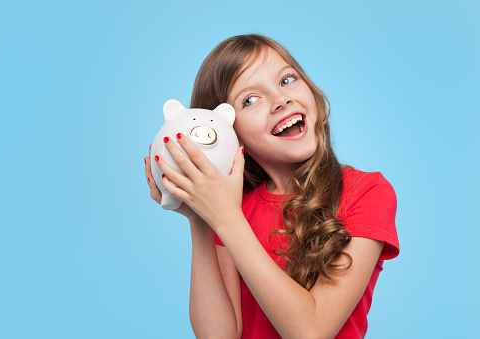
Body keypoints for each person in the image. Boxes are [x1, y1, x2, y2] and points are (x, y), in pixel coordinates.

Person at [144, 34, 399, 339]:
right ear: (228, 131)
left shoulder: (366, 192)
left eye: (287, 79)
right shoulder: (234, 211)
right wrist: (199, 217)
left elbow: (311, 331)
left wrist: (225, 218)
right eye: (250, 100)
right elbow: (219, 335)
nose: (281, 100)